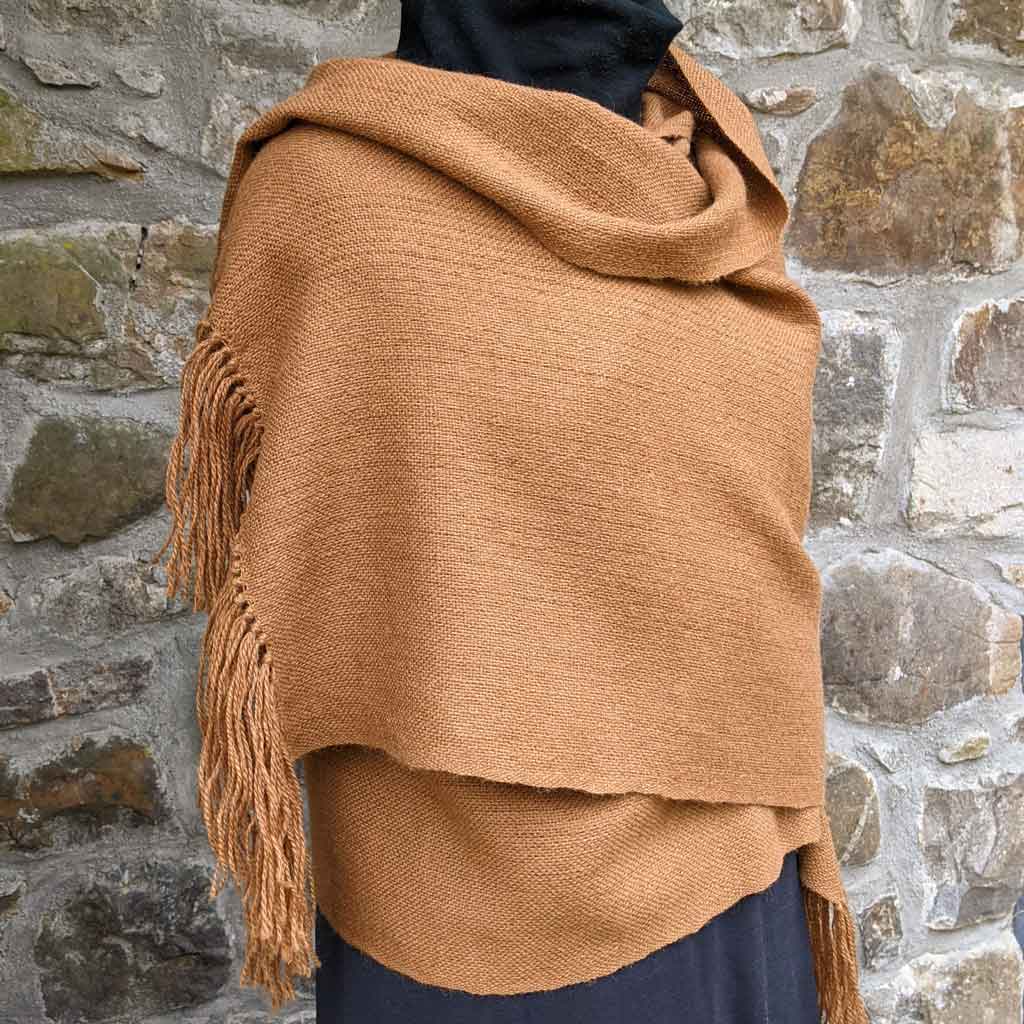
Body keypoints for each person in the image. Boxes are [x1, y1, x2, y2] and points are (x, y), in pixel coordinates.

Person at [153, 1, 870, 1021]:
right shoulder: (329, 193)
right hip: (440, 890)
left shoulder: (715, 180)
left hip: (734, 861)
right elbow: (326, 527)